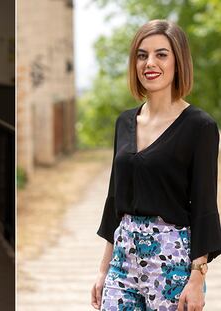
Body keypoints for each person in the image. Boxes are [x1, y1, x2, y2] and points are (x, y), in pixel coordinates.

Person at [91, 20, 221, 310]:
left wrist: (197, 278)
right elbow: (115, 199)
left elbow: (204, 205)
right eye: (142, 55)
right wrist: (103, 269)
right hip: (122, 260)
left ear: (178, 61)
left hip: (171, 263)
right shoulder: (124, 122)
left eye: (161, 54)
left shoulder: (200, 127)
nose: (149, 63)